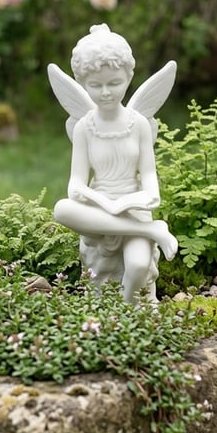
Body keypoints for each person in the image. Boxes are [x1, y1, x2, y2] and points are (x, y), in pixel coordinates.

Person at [49, 24, 178, 303]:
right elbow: (75, 185)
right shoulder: (84, 127)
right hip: (99, 206)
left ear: (129, 77)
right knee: (61, 208)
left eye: (114, 83)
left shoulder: (138, 124)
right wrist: (107, 204)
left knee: (138, 265)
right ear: (82, 83)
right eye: (95, 85)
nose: (106, 92)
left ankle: (127, 307)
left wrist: (146, 197)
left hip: (134, 205)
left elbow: (149, 177)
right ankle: (151, 231)